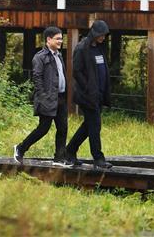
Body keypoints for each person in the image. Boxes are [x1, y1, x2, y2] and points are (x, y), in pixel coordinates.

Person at [13, 26, 71, 167]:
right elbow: (37, 78)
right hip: (48, 99)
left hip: (61, 98)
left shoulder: (59, 55)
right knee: (43, 129)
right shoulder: (40, 57)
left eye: (61, 38)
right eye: (57, 38)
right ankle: (20, 148)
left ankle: (59, 158)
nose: (60, 41)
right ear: (48, 39)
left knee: (63, 128)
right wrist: (43, 97)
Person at [64, 19, 113, 169]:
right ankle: (98, 158)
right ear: (94, 33)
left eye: (105, 35)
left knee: (89, 125)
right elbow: (77, 72)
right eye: (101, 35)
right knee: (95, 125)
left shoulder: (99, 48)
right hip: (87, 95)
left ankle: (70, 151)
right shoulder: (81, 48)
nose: (103, 38)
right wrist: (88, 88)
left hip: (99, 94)